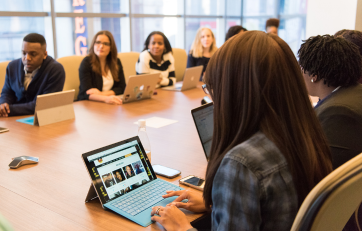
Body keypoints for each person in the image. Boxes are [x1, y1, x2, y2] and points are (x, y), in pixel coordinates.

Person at [150, 31, 332, 231]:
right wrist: (220, 203)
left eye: (212, 90)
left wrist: (180, 227)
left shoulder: (242, 163)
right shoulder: (305, 134)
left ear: (235, 91)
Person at [298, 34, 362, 170]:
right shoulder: (354, 92)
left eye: (301, 68)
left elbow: (329, 168)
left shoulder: (338, 112)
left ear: (314, 75)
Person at [0, 33, 65, 118]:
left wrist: (9, 110)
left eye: (33, 54)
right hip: (13, 120)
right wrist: (3, 106)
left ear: (45, 54)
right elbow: (7, 92)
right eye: (24, 53)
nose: (27, 58)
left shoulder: (55, 69)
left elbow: (43, 105)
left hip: (41, 119)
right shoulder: (12, 67)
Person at [77, 31, 126, 105]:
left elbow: (122, 87)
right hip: (89, 105)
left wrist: (100, 94)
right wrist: (106, 98)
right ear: (93, 44)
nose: (101, 46)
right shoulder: (86, 62)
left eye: (106, 44)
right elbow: (86, 93)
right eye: (98, 42)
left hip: (110, 103)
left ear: (111, 47)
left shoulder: (116, 62)